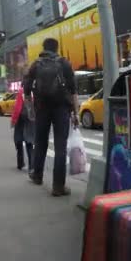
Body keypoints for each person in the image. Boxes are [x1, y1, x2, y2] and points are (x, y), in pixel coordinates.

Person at [24, 37, 79, 197]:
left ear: (43, 48)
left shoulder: (36, 64)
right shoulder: (64, 63)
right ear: (57, 48)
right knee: (60, 146)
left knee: (40, 142)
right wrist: (75, 112)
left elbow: (26, 88)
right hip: (62, 108)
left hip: (41, 108)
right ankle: (58, 186)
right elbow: (74, 90)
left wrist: (30, 109)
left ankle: (37, 175)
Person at [11, 87, 35, 172]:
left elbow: (17, 107)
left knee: (18, 140)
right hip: (32, 118)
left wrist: (13, 120)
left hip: (21, 118)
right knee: (29, 142)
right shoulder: (36, 90)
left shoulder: (22, 91)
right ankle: (32, 166)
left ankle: (20, 163)